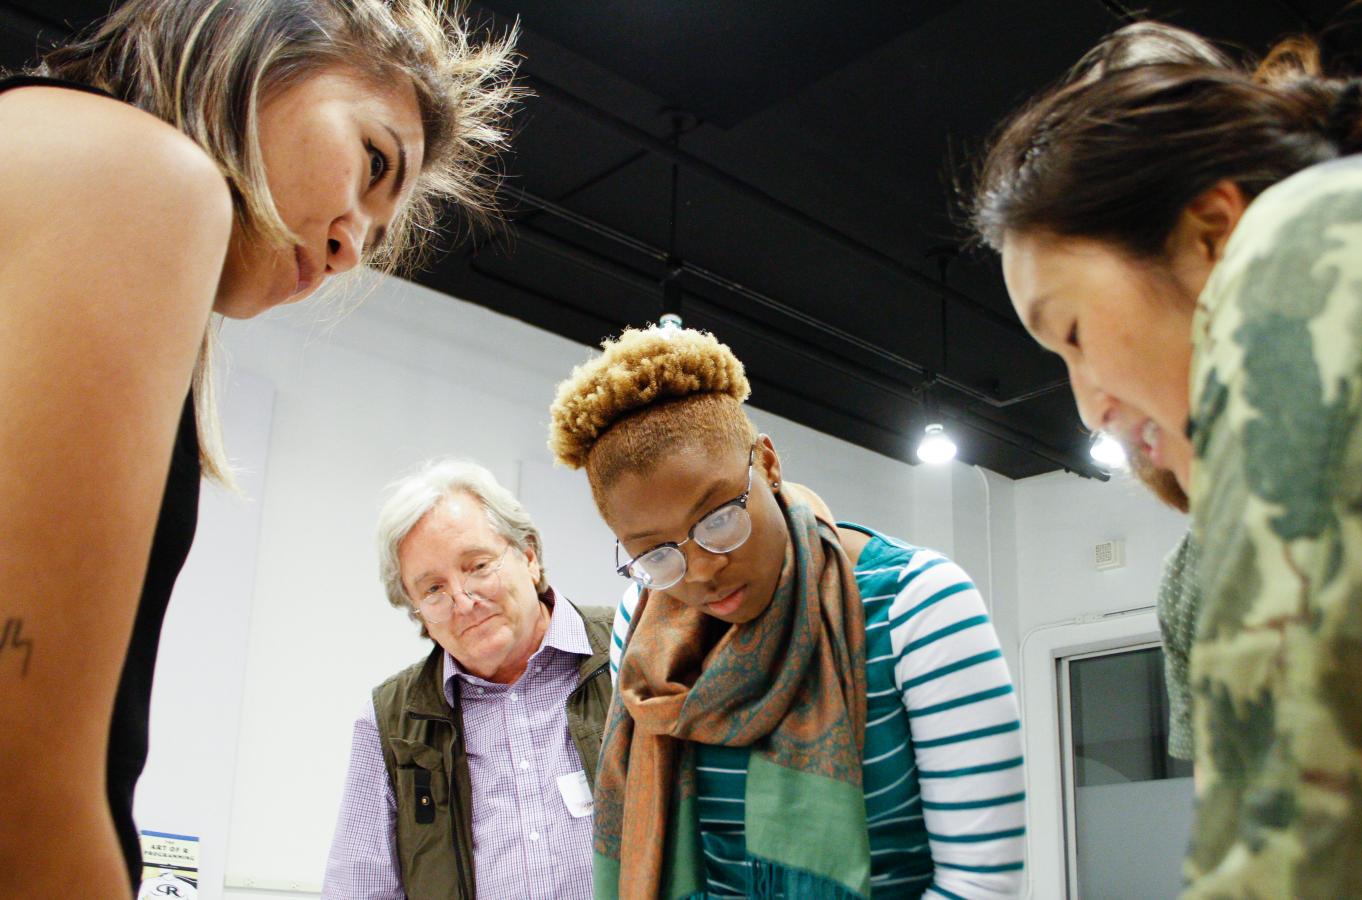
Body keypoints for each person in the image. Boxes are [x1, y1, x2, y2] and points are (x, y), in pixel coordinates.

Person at [973, 20, 1362, 897]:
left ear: (1212, 231)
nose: (1087, 403)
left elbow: (1314, 824)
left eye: (1072, 332)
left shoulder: (1316, 237)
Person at [0, 1, 518, 894]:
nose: (355, 245)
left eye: (384, 227)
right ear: (262, 44)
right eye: (372, 162)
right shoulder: (144, 176)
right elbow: (18, 782)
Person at [546, 327, 1026, 899]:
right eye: (656, 553)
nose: (699, 571)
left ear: (767, 464)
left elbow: (980, 884)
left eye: (719, 519)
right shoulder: (643, 623)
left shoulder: (916, 604)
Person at [324, 459, 612, 899]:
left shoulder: (630, 650)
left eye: (477, 565)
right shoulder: (390, 723)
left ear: (529, 556)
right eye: (433, 589)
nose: (463, 601)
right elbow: (359, 890)